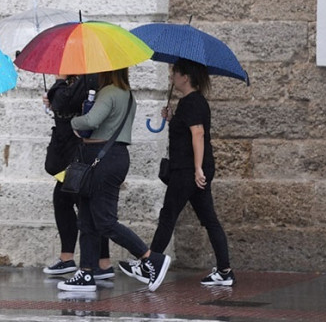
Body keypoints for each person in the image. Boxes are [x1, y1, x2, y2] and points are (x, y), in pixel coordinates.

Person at [118, 59, 235, 286]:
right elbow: (188, 131)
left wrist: (198, 168)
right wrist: (173, 119)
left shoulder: (191, 102)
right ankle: (224, 270)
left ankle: (149, 264)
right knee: (209, 220)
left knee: (168, 216)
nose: (172, 77)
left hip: (187, 171)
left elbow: (198, 134)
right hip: (191, 170)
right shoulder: (193, 102)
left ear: (185, 77)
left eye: (174, 73)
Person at [57, 68, 171, 293]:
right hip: (109, 157)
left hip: (103, 159)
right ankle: (86, 272)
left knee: (105, 221)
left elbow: (91, 120)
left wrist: (72, 121)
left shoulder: (109, 92)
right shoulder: (127, 94)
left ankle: (150, 258)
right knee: (87, 220)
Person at [42, 75, 114, 280]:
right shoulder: (75, 82)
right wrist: (53, 96)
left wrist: (57, 85)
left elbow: (64, 101)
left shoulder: (88, 79)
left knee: (86, 206)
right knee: (65, 201)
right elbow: (62, 104)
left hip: (79, 154)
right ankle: (80, 260)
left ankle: (100, 263)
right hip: (68, 154)